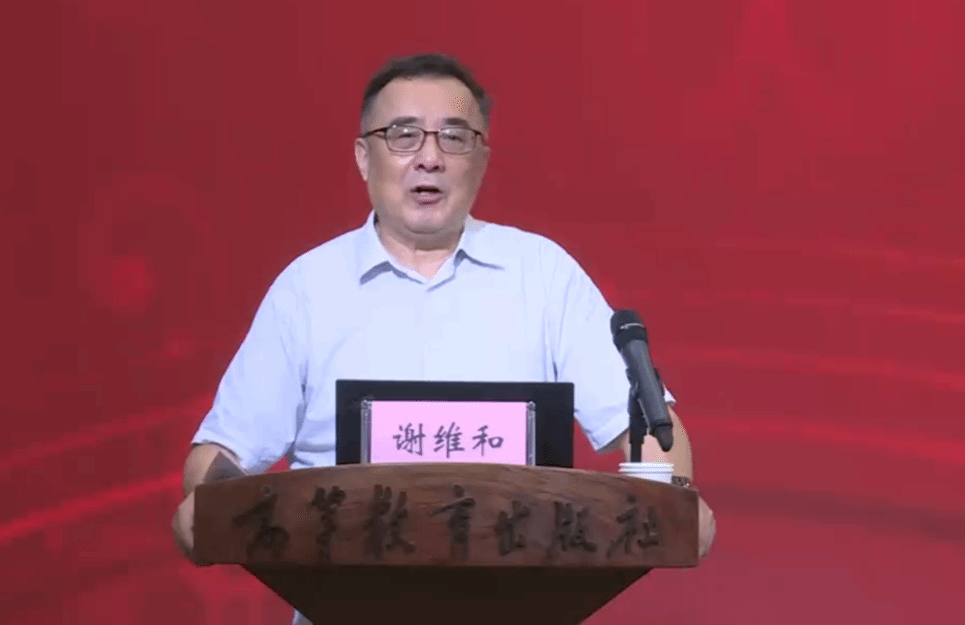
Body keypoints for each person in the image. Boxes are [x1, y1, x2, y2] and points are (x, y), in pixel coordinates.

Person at [171, 53, 717, 583]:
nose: (429, 158)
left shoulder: (543, 274)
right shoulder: (308, 288)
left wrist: (670, 501)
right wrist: (211, 506)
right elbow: (219, 457)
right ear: (363, 157)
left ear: (481, 160)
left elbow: (653, 436)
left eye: (454, 138)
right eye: (404, 135)